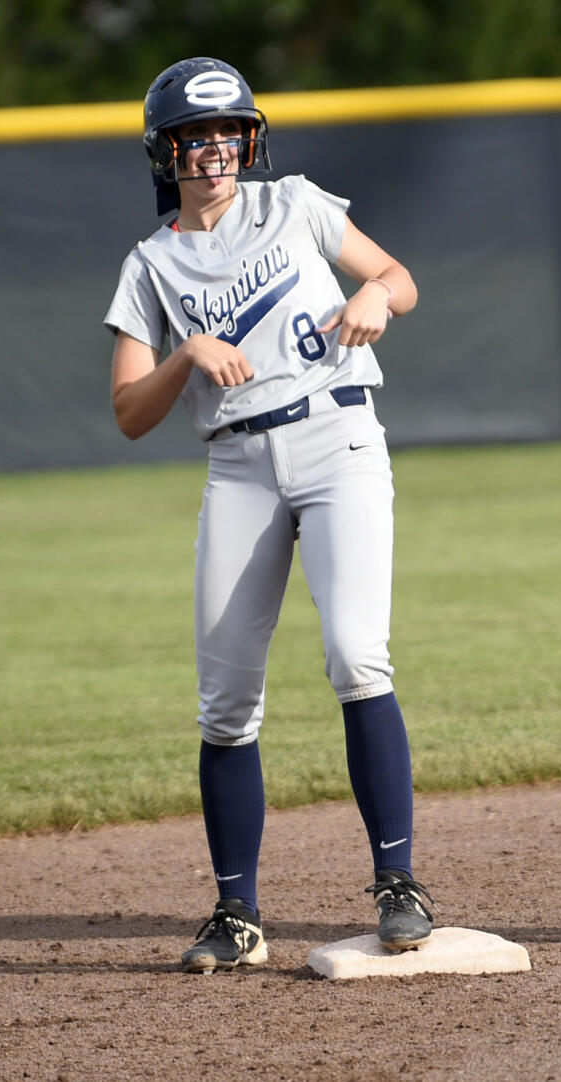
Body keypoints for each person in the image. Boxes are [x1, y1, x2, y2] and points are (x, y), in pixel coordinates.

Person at [103, 56, 432, 973]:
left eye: (224, 135)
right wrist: (186, 356)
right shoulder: (152, 263)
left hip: (340, 442)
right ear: (164, 153)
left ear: (246, 140)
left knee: (358, 654)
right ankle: (236, 911)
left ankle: (399, 884)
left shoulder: (294, 203)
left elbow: (398, 277)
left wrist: (375, 293)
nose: (212, 153)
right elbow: (131, 412)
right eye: (192, 139)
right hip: (240, 465)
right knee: (225, 702)